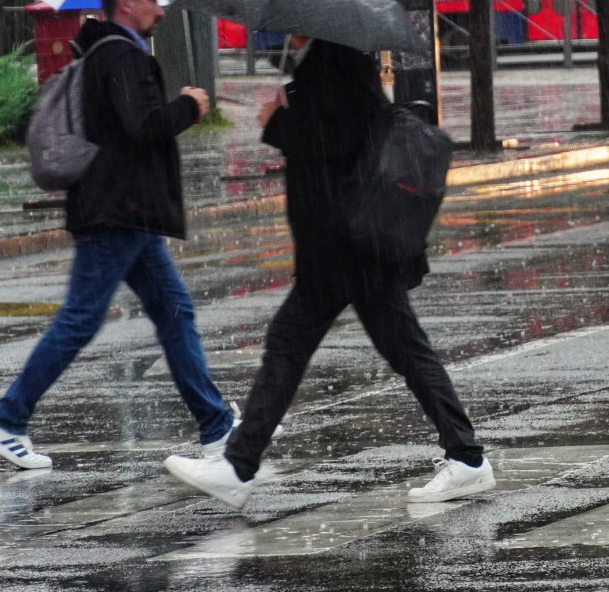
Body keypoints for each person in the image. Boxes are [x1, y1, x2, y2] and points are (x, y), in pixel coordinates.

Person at [164, 38, 494, 509]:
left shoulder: (336, 59)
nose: (286, 34)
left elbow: (339, 139)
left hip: (345, 246)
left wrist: (276, 120)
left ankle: (238, 466)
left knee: (290, 343)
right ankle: (467, 458)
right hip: (350, 247)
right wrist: (289, 105)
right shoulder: (331, 60)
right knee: (402, 350)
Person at [0, 0, 238, 469]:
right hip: (119, 210)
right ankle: (7, 419)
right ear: (126, 2)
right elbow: (144, 127)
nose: (159, 9)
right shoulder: (121, 57)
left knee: (175, 311)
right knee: (81, 318)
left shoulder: (106, 53)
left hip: (123, 209)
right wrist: (190, 106)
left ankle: (217, 426)